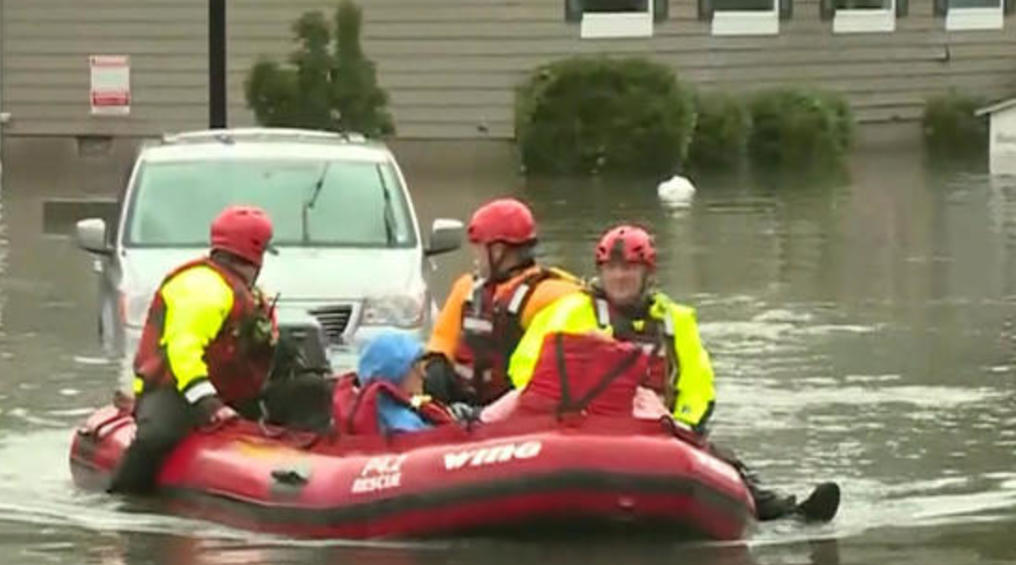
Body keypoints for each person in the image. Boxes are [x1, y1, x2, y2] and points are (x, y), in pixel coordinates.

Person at [508, 224, 840, 522]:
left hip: (657, 432)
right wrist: (564, 410)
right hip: (586, 429)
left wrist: (682, 424)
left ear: (646, 274)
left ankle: (784, 510)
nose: (619, 277)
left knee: (724, 460)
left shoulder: (674, 320)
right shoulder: (570, 313)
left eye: (629, 269)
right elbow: (525, 368)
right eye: (612, 268)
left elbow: (698, 382)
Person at [107, 205, 279, 495]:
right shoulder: (205, 290)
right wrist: (209, 405)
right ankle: (124, 498)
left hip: (230, 388)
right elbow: (183, 351)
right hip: (174, 390)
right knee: (157, 437)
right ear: (256, 255)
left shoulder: (247, 291)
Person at [424, 197, 582, 409]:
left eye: (480, 248)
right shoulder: (466, 289)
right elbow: (442, 339)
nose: (475, 257)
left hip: (511, 411)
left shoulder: (547, 294)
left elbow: (584, 308)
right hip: (462, 405)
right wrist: (436, 362)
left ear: (498, 251)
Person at [331, 331, 457, 435]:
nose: (425, 375)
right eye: (419, 367)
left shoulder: (353, 412)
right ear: (397, 372)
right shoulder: (403, 425)